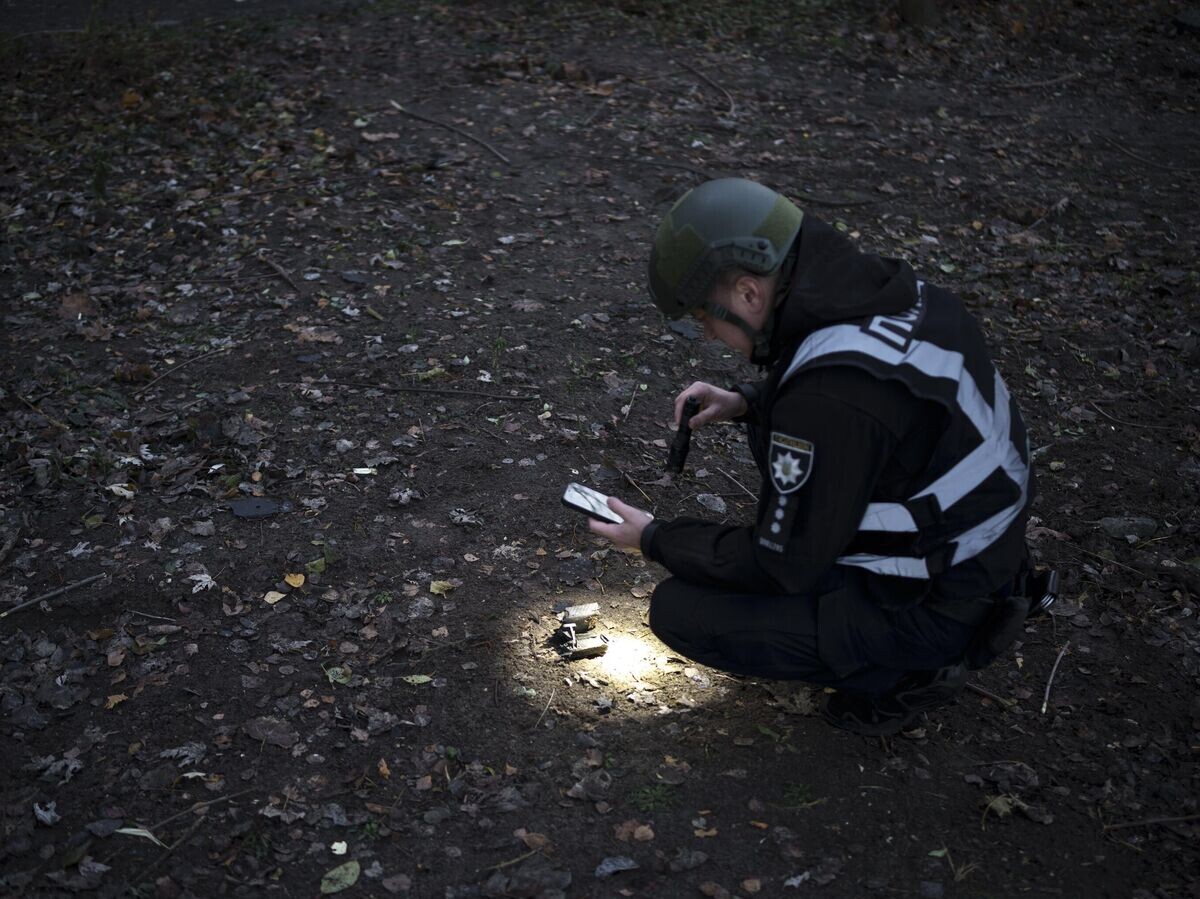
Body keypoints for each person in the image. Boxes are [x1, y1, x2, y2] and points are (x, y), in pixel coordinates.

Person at [588, 178, 1037, 736]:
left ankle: (905, 675)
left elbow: (782, 564)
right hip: (984, 558)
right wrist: (749, 401)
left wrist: (655, 538)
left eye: (707, 318)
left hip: (936, 603)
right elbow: (878, 402)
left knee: (682, 611)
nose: (708, 335)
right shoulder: (905, 297)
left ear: (750, 293)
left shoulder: (827, 401)